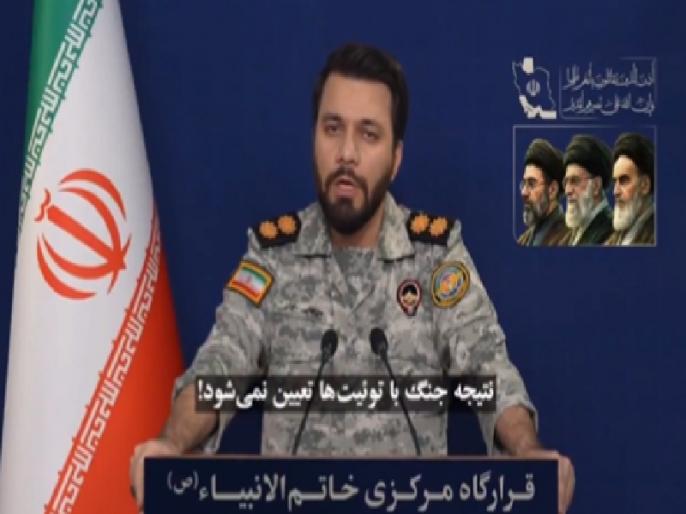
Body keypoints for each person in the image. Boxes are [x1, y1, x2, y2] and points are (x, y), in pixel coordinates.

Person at [130, 43, 574, 513]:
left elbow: (487, 369)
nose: (346, 153)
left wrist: (527, 453)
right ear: (313, 139)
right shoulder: (273, 255)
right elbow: (221, 365)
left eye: (369, 134)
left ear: (396, 158)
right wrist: (172, 444)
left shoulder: (435, 256)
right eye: (332, 129)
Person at [560, 134, 613, 245]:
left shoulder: (610, 232)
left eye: (575, 181)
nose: (567, 190)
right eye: (566, 182)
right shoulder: (575, 230)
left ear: (596, 186)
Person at [605, 133, 655, 245]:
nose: (615, 191)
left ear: (645, 185)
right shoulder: (613, 239)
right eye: (615, 182)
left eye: (624, 181)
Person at [517, 138, 568, 246]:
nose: (524, 192)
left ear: (552, 190)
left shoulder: (570, 239)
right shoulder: (523, 240)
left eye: (531, 184)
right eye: (524, 184)